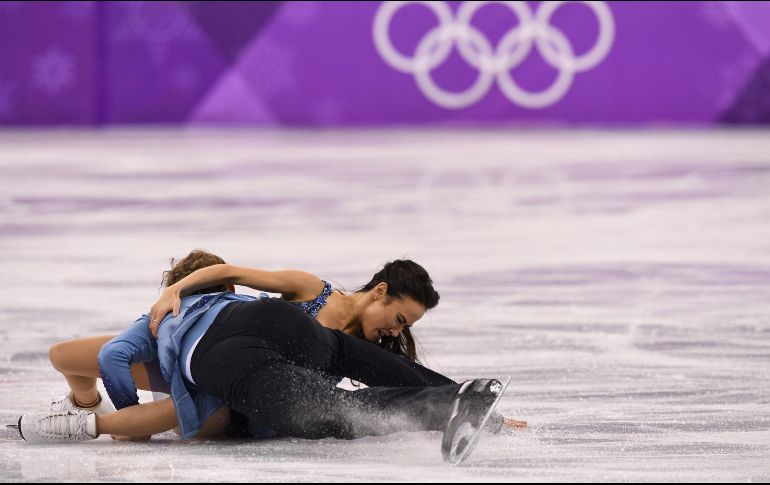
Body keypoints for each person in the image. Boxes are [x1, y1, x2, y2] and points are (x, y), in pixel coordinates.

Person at [19, 251, 526, 460]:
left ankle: (458, 401)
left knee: (338, 403)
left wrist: (108, 421)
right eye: (398, 318)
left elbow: (401, 370)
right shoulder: (313, 291)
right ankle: (453, 402)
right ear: (380, 292)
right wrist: (171, 293)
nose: (397, 331)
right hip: (258, 345)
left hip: (251, 358)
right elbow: (230, 272)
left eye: (404, 326)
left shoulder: (366, 341)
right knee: (339, 397)